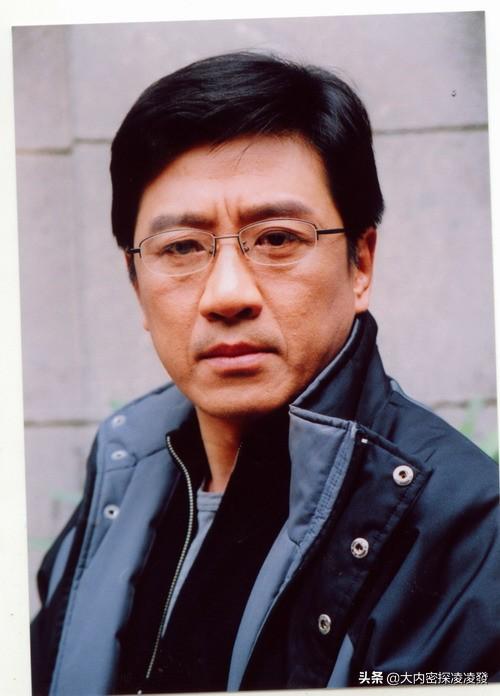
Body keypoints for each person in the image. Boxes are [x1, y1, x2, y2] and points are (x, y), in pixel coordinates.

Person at [31, 52, 499, 695]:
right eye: (181, 248)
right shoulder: (122, 473)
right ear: (136, 284)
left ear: (361, 263)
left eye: (277, 239)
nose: (228, 294)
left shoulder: (466, 528)